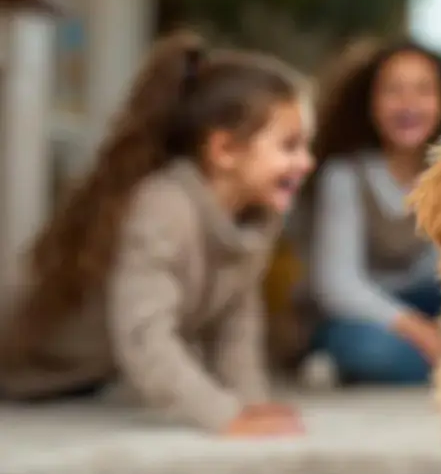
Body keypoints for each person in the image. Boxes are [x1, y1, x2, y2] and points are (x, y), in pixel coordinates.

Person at [0, 31, 314, 436]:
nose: (307, 162)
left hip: (76, 379)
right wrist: (223, 416)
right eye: (290, 146)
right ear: (224, 151)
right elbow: (145, 338)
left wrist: (251, 403)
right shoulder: (163, 207)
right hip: (17, 358)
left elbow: (236, 323)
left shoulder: (253, 221)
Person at [303, 38, 441, 384]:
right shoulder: (345, 175)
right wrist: (420, 331)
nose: (409, 103)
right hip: (367, 313)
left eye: (424, 90)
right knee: (366, 348)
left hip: (431, 299)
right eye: (393, 91)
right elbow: (337, 285)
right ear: (371, 104)